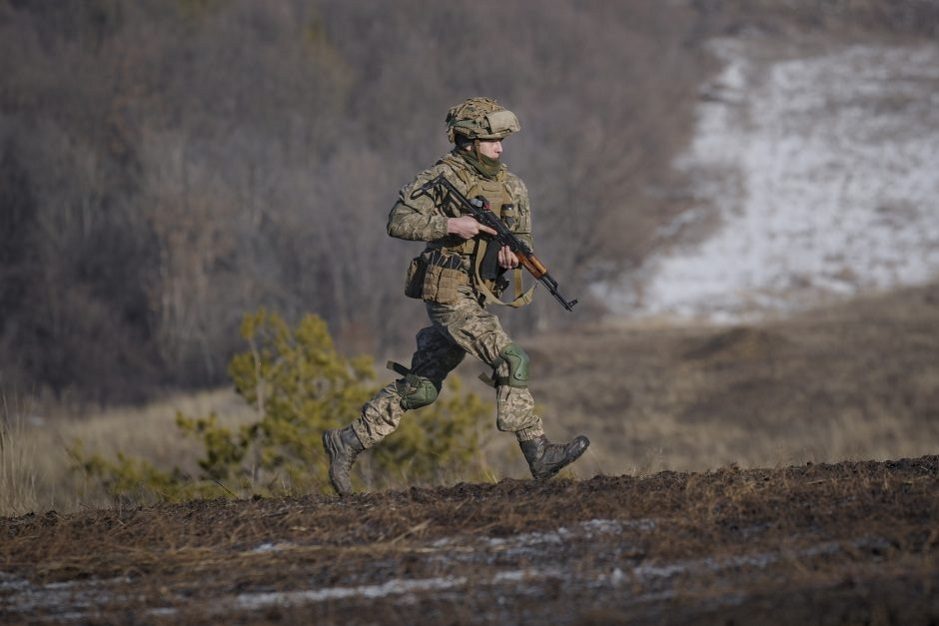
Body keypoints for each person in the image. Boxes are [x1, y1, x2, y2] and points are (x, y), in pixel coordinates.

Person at [322, 97, 589, 496]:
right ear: (468, 140)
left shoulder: (512, 186)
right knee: (511, 358)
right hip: (447, 293)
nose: (500, 147)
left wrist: (511, 258)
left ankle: (348, 441)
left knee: (422, 388)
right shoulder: (440, 178)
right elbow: (398, 221)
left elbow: (523, 240)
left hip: (477, 293)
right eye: (491, 139)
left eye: (502, 139)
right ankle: (538, 452)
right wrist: (450, 224)